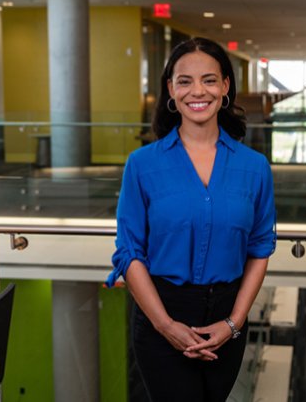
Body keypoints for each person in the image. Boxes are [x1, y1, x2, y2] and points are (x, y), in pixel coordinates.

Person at [105, 37, 276, 401]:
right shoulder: (142, 165)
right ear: (170, 88)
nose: (197, 91)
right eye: (185, 81)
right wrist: (165, 325)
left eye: (209, 80)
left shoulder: (255, 167)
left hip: (227, 319)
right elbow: (129, 252)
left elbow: (260, 248)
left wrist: (234, 323)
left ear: (226, 86)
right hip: (162, 313)